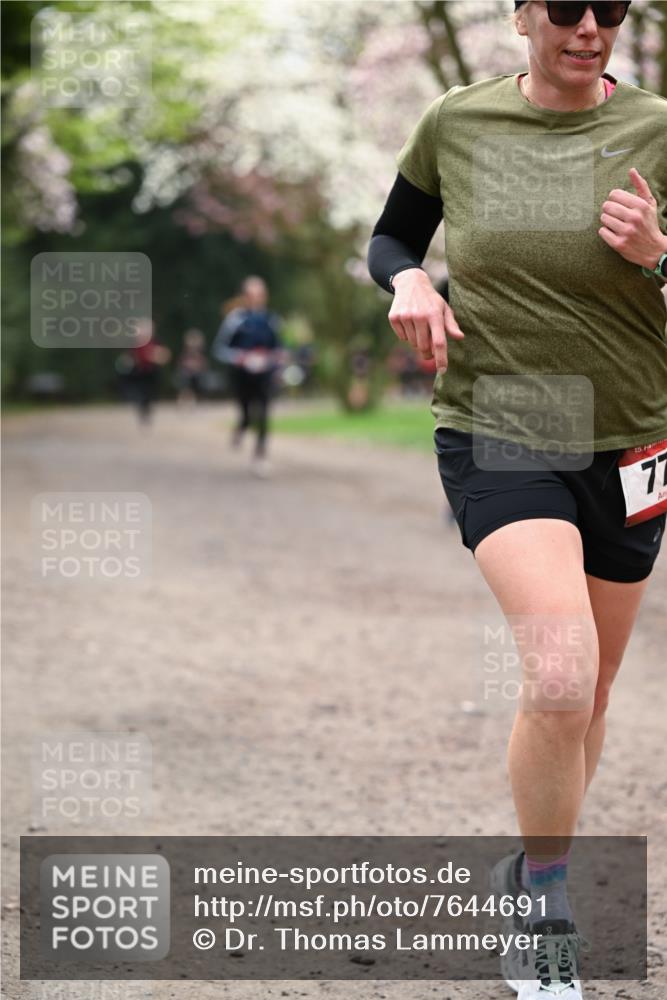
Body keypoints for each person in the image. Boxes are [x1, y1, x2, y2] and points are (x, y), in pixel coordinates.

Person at [368, 2, 667, 997]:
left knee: (597, 684)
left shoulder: (657, 129)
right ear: (521, 15)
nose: (590, 26)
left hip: (631, 438)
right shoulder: (459, 121)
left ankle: (529, 861)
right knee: (558, 675)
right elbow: (390, 239)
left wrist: (653, 253)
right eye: (566, 7)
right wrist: (409, 284)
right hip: (502, 426)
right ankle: (543, 901)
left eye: (612, 9)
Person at [212, 276, 286, 476]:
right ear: (244, 296)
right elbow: (220, 349)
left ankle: (260, 456)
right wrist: (241, 358)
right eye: (252, 294)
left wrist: (274, 360)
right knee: (246, 414)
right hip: (242, 376)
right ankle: (241, 427)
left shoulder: (272, 320)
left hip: (264, 375)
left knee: (263, 413)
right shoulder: (235, 319)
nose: (256, 298)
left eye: (260, 294)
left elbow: (279, 348)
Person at [118, 318, 171, 424]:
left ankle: (146, 411)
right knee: (140, 393)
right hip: (138, 373)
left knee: (149, 395)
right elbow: (128, 357)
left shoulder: (155, 342)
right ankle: (142, 410)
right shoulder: (134, 343)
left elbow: (164, 355)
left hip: (151, 372)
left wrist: (156, 357)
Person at [176, 328, 208, 407]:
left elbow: (203, 364)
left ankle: (194, 401)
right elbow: (181, 362)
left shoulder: (199, 354)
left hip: (196, 373)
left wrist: (198, 367)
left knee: (196, 386)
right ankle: (184, 402)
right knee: (186, 387)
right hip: (187, 373)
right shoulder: (186, 353)